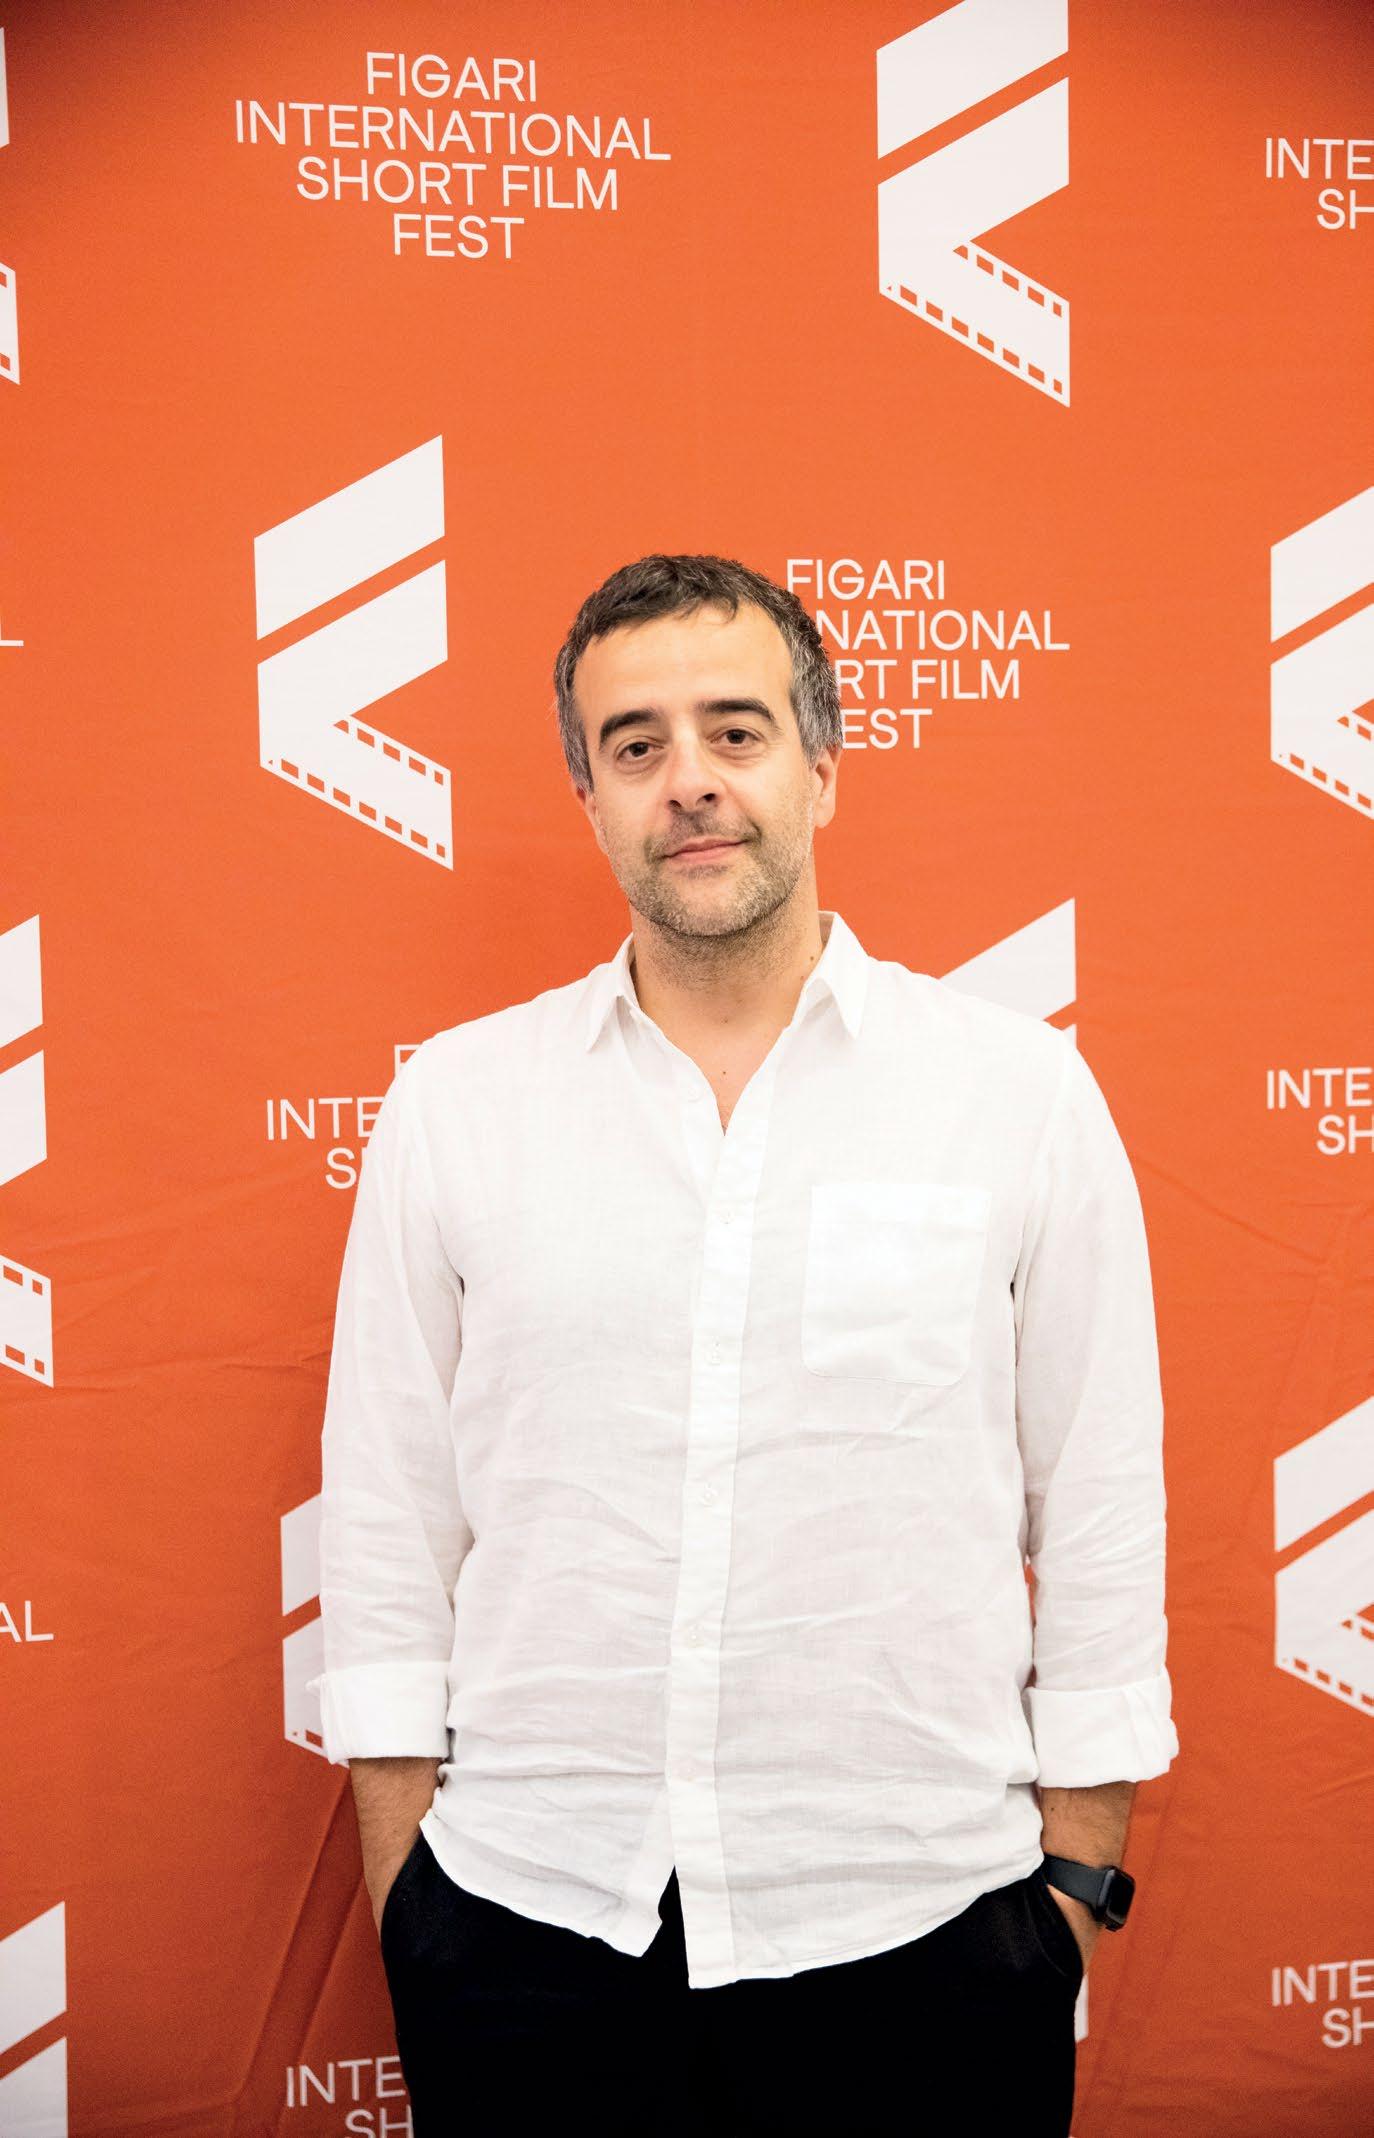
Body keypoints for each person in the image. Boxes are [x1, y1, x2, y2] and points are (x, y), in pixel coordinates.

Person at [308, 553, 1179, 2136]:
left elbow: (1101, 1502)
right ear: (588, 799)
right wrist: (405, 1894)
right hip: (524, 1919)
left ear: (821, 767)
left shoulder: (1014, 1096)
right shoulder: (459, 1103)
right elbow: (385, 1516)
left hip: (924, 1922)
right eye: (634, 744)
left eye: (735, 730)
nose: (689, 781)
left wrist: (1069, 1887)